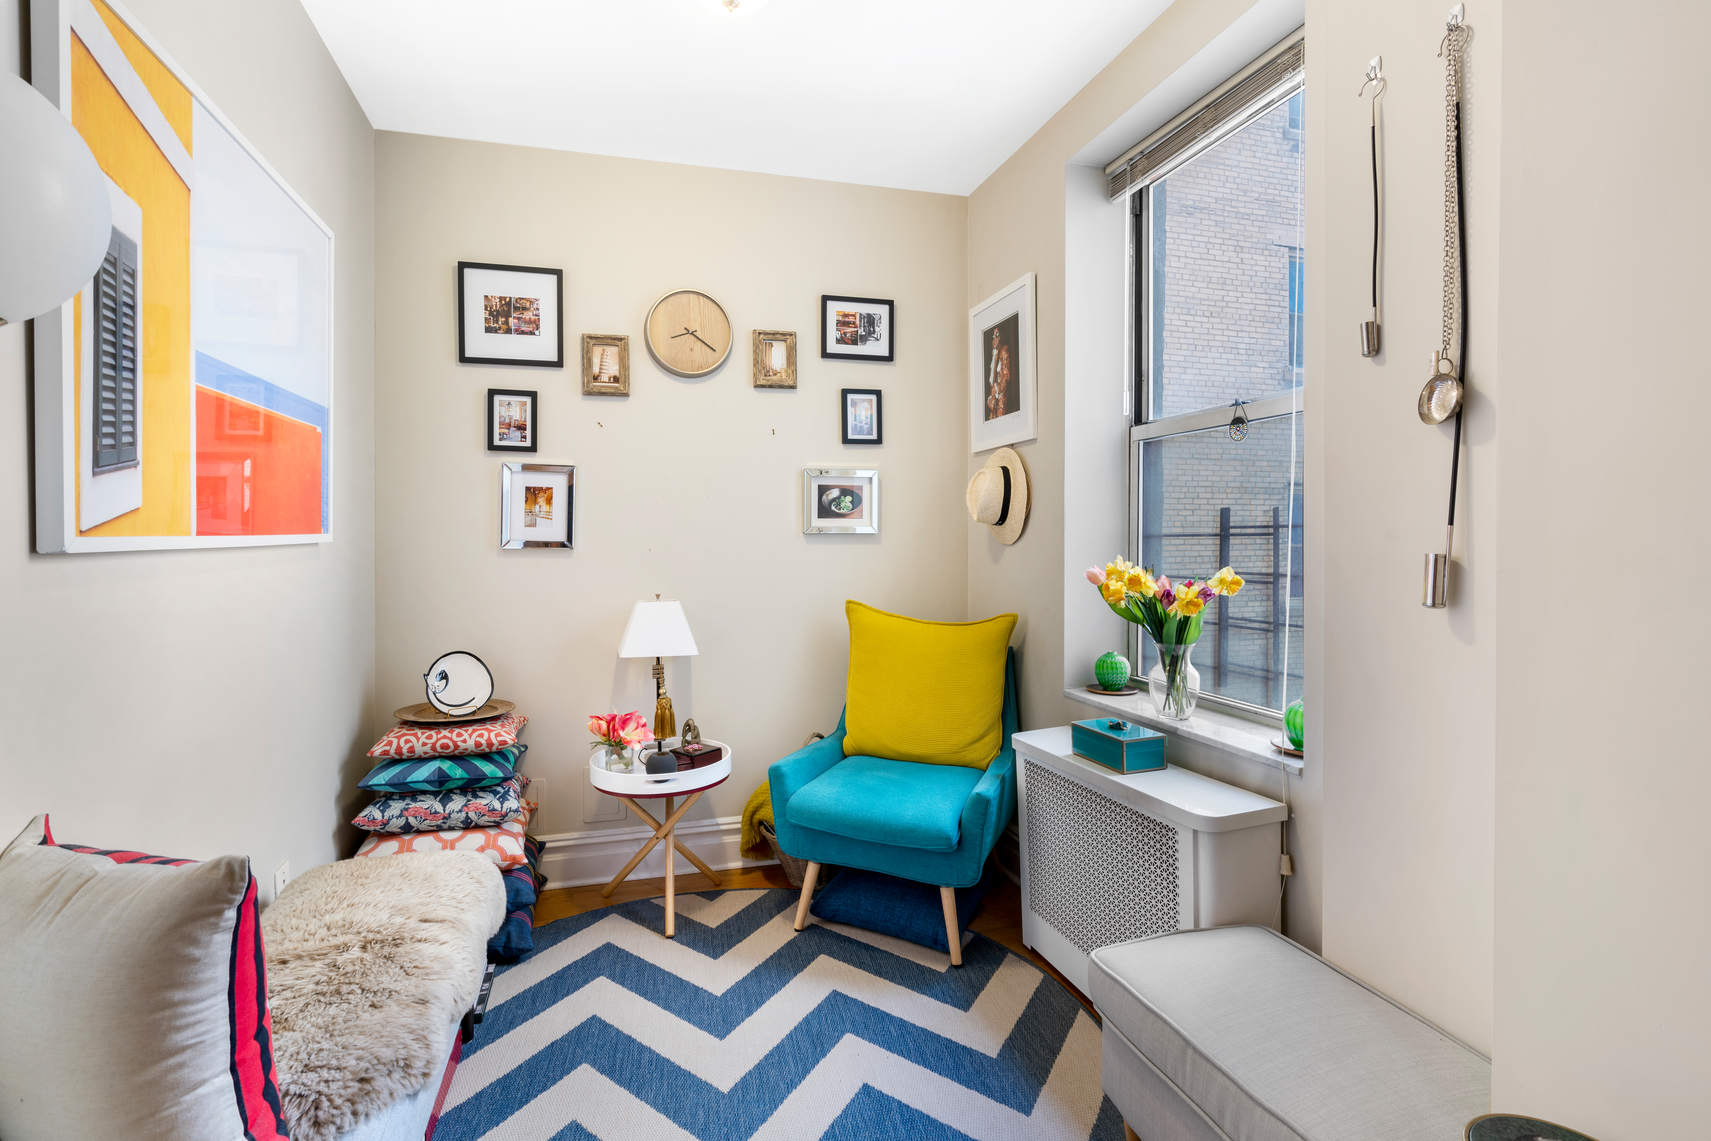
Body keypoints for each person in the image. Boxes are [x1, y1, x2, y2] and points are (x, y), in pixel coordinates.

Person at [986, 330, 1012, 421]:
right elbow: (992, 378)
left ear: (1001, 338)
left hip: (1001, 400)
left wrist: (998, 389)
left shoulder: (1004, 351)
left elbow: (1006, 376)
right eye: (993, 338)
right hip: (994, 400)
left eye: (997, 337)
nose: (994, 340)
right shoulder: (995, 353)